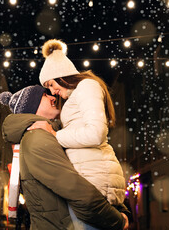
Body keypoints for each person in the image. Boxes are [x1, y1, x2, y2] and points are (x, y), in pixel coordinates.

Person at [0, 85, 129, 230]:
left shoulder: (45, 135)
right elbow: (77, 190)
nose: (53, 97)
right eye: (44, 95)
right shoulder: (37, 139)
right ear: (32, 106)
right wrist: (117, 220)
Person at [28, 39, 126, 228]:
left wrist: (56, 136)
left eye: (51, 84)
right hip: (90, 178)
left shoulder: (87, 87)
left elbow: (96, 133)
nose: (52, 91)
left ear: (61, 75)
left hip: (95, 181)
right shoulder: (77, 94)